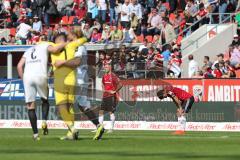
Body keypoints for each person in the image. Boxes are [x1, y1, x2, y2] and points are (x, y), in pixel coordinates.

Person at [54, 38, 105, 140]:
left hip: (77, 80)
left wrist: (62, 63)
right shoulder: (81, 47)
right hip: (82, 80)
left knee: (65, 107)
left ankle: (71, 132)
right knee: (84, 106)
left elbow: (76, 62)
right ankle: (99, 126)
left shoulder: (78, 47)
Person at [17, 41, 67, 140]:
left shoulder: (28, 50)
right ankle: (44, 121)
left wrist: (24, 79)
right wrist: (66, 42)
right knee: (45, 99)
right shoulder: (45, 45)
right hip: (40, 75)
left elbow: (19, 66)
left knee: (30, 107)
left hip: (28, 77)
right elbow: (55, 49)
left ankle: (35, 135)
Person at [51, 32, 87, 140]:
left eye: (56, 41)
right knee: (69, 107)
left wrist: (61, 62)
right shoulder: (71, 45)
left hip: (60, 80)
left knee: (62, 107)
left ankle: (72, 128)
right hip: (72, 79)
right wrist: (72, 39)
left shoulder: (53, 49)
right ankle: (70, 133)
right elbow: (85, 38)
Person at [99, 64, 123, 133]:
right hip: (105, 96)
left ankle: (111, 129)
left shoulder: (113, 76)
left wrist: (115, 91)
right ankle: (100, 128)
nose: (105, 68)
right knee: (101, 111)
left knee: (110, 112)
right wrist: (104, 89)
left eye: (106, 67)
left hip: (111, 96)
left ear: (110, 68)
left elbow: (121, 84)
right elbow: (103, 84)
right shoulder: (104, 76)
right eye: (104, 67)